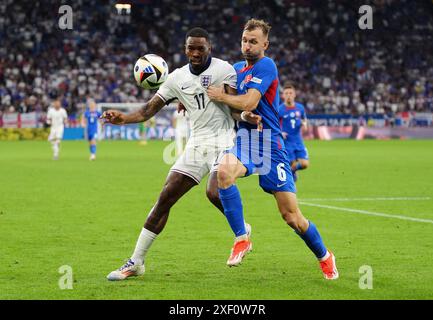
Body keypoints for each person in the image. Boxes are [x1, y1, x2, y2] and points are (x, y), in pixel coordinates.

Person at [101, 27, 261, 281]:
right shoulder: (176, 78)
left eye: (201, 48)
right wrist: (123, 118)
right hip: (197, 145)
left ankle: (241, 230)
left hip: (224, 141)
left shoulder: (224, 70)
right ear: (185, 49)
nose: (195, 53)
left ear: (209, 48)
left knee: (213, 191)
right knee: (165, 198)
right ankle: (136, 262)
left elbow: (232, 107)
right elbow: (147, 110)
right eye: (191, 48)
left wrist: (244, 116)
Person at [207, 19, 338, 279]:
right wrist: (243, 117)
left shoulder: (266, 65)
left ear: (265, 44)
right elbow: (236, 110)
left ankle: (325, 256)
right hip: (246, 140)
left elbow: (249, 100)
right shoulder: (235, 69)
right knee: (224, 173)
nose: (247, 45)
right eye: (244, 40)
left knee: (291, 216)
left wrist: (223, 97)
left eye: (253, 41)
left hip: (271, 146)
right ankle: (242, 238)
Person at [278, 82, 309, 182]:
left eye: (290, 93)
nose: (288, 95)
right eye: (286, 93)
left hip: (298, 141)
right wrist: (280, 133)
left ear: (294, 94)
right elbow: (274, 126)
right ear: (283, 96)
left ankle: (291, 171)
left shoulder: (300, 108)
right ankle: (292, 192)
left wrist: (304, 124)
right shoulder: (279, 110)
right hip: (287, 143)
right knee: (292, 168)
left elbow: (304, 119)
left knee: (305, 164)